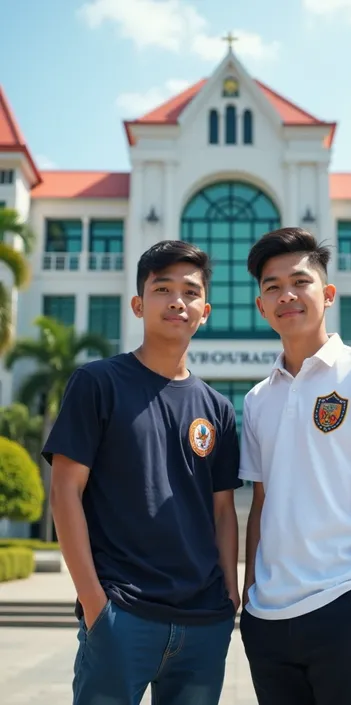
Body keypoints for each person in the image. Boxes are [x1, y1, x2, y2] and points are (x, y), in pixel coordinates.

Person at [43, 240, 242, 705]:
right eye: (163, 288)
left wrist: (228, 595)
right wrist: (94, 603)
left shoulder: (217, 408)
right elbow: (65, 493)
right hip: (121, 615)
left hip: (203, 623)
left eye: (190, 292)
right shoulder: (97, 383)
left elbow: (223, 510)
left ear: (205, 310)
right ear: (138, 304)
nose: (178, 301)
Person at [238, 227, 351, 705]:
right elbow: (261, 503)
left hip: (345, 606)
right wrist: (250, 597)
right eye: (272, 287)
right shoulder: (258, 399)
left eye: (300, 281)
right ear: (261, 306)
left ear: (328, 293)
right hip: (268, 620)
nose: (287, 295)